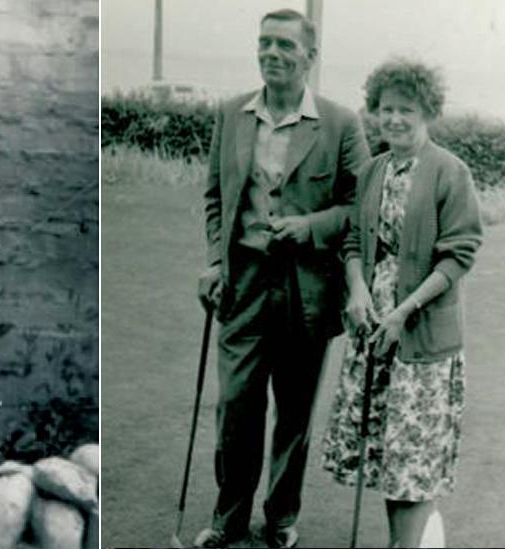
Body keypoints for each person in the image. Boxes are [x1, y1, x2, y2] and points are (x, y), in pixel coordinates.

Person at [195, 8, 370, 548]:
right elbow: (216, 199)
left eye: (285, 46)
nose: (272, 53)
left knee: (293, 413)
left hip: (307, 293)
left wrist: (311, 227)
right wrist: (215, 262)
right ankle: (229, 517)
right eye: (265, 43)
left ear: (309, 57)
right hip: (243, 285)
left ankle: (280, 518)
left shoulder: (341, 124)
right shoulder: (231, 115)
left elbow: (361, 207)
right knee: (236, 407)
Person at [321, 58, 483, 548]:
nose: (394, 118)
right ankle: (406, 542)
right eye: (385, 109)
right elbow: (351, 240)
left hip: (420, 333)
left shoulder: (450, 172)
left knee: (414, 453)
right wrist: (356, 289)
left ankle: (406, 545)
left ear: (427, 111)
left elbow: (459, 254)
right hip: (374, 327)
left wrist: (402, 310)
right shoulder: (373, 170)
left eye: (405, 109)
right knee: (389, 451)